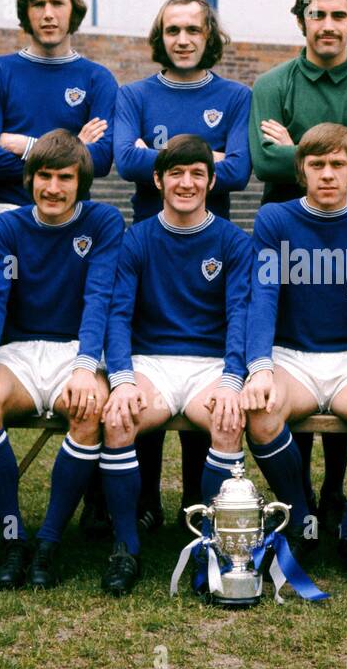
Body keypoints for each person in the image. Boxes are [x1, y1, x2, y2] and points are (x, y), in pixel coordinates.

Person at [248, 0, 347, 533]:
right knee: (298, 343)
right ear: (302, 20)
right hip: (287, 226)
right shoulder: (272, 81)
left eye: (339, 16)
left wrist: (297, 145)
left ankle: (337, 494)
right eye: (318, 15)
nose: (329, 25)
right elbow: (263, 166)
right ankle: (304, 498)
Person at [111, 0, 251, 532]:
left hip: (211, 241)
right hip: (151, 238)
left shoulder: (236, 95)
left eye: (194, 29)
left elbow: (239, 171)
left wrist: (169, 154)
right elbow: (125, 160)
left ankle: (199, 507)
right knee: (148, 356)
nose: (184, 38)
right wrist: (206, 155)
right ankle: (142, 504)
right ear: (160, 38)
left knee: (205, 363)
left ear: (208, 36)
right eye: (173, 30)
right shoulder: (135, 93)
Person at [241, 123, 347, 582]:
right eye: (317, 165)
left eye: (338, 164)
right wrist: (260, 368)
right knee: (262, 411)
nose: (328, 174)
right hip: (294, 355)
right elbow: (264, 294)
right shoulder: (276, 218)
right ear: (301, 171)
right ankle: (304, 520)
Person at [0, 130, 123, 590]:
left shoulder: (104, 223)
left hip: (77, 348)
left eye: (65, 178)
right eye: (44, 176)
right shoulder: (7, 227)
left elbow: (99, 298)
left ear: (81, 183)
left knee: (89, 410)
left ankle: (49, 542)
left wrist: (87, 367)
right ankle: (14, 537)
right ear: (29, 179)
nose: (53, 187)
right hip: (20, 352)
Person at [100, 134, 254, 596]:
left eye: (196, 174)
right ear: (157, 179)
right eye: (176, 174)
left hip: (209, 364)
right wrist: (123, 379)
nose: (186, 183)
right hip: (153, 361)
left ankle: (212, 549)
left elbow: (240, 317)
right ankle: (125, 548)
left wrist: (231, 380)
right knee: (118, 418)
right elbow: (117, 314)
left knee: (228, 420)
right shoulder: (137, 239)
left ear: (211, 181)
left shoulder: (232, 241)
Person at [0, 0, 116, 221]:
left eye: (57, 4)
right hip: (6, 210)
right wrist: (75, 151)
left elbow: (102, 161)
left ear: (74, 11)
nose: (48, 14)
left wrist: (28, 146)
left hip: (74, 215)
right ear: (26, 13)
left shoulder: (98, 79)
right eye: (38, 5)